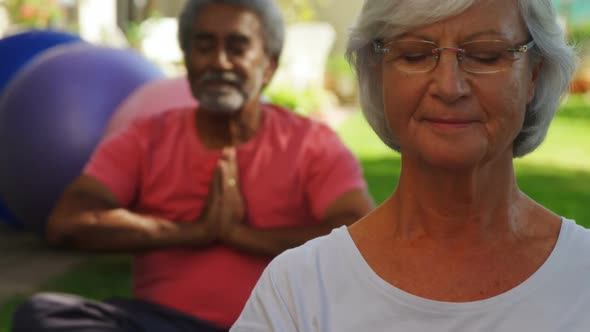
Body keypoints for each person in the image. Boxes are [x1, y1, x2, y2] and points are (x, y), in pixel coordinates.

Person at [11, 1, 374, 331]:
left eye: (237, 46)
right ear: (187, 59)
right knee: (43, 314)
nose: (218, 61)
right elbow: (69, 221)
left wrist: (242, 236)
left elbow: (359, 235)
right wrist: (192, 232)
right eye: (203, 46)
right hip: (160, 323)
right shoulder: (146, 137)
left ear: (269, 65)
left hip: (270, 322)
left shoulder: (312, 143)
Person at [231, 0, 590, 331]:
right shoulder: (299, 290)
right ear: (378, 72)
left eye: (485, 55)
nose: (450, 87)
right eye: (416, 55)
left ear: (534, 75)